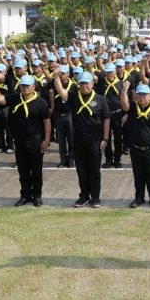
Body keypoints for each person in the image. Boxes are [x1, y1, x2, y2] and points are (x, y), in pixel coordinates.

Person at [0, 73, 51, 207]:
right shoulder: (14, 98)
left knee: (36, 170)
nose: (24, 88)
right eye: (22, 85)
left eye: (27, 86)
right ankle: (24, 196)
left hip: (35, 139)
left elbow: (47, 122)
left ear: (33, 87)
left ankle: (37, 196)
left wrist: (46, 139)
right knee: (23, 170)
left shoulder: (41, 102)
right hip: (19, 139)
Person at [54, 71, 110, 208]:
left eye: (86, 82)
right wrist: (56, 77)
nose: (84, 85)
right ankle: (84, 195)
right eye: (81, 83)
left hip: (95, 138)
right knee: (81, 169)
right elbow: (61, 91)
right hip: (78, 138)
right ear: (78, 84)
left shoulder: (100, 99)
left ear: (92, 83)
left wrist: (106, 138)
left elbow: (106, 119)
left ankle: (95, 197)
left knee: (94, 169)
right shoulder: (74, 97)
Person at [121, 81, 150, 208]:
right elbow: (124, 106)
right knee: (138, 175)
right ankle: (139, 198)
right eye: (139, 94)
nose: (142, 97)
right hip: (136, 148)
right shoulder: (133, 108)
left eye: (145, 94)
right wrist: (124, 91)